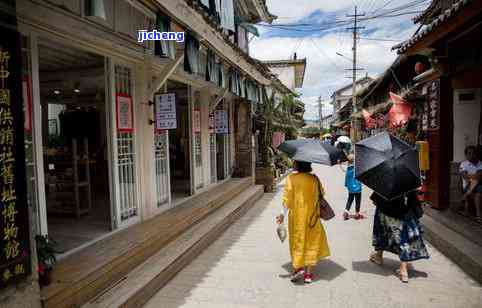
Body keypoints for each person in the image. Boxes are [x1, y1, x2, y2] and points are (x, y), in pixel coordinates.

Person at [276, 161, 330, 284]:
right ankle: (308, 274)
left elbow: (287, 200)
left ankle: (297, 267)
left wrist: (281, 215)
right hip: (312, 217)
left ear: (297, 165)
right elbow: (322, 194)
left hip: (297, 217)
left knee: (297, 241)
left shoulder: (291, 179)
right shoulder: (314, 179)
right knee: (311, 242)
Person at [369, 191, 429, 283]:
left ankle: (380, 256)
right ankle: (402, 269)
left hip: (387, 209)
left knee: (382, 230)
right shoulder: (409, 179)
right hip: (404, 211)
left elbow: (376, 199)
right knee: (403, 238)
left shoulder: (388, 178)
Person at [459, 145, 482, 221]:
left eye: (473, 153)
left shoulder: (480, 163)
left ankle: (466, 195)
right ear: (466, 155)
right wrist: (474, 176)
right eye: (469, 153)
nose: (471, 155)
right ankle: (478, 216)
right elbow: (464, 176)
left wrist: (471, 176)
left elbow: (478, 177)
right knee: (476, 184)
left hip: (478, 185)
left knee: (478, 188)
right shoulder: (463, 164)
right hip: (467, 186)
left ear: (476, 154)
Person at [343, 155, 363, 220]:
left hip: (350, 189)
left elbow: (346, 179)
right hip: (358, 188)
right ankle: (357, 214)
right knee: (358, 201)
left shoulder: (348, 170)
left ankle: (346, 212)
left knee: (349, 200)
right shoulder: (357, 169)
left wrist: (346, 185)